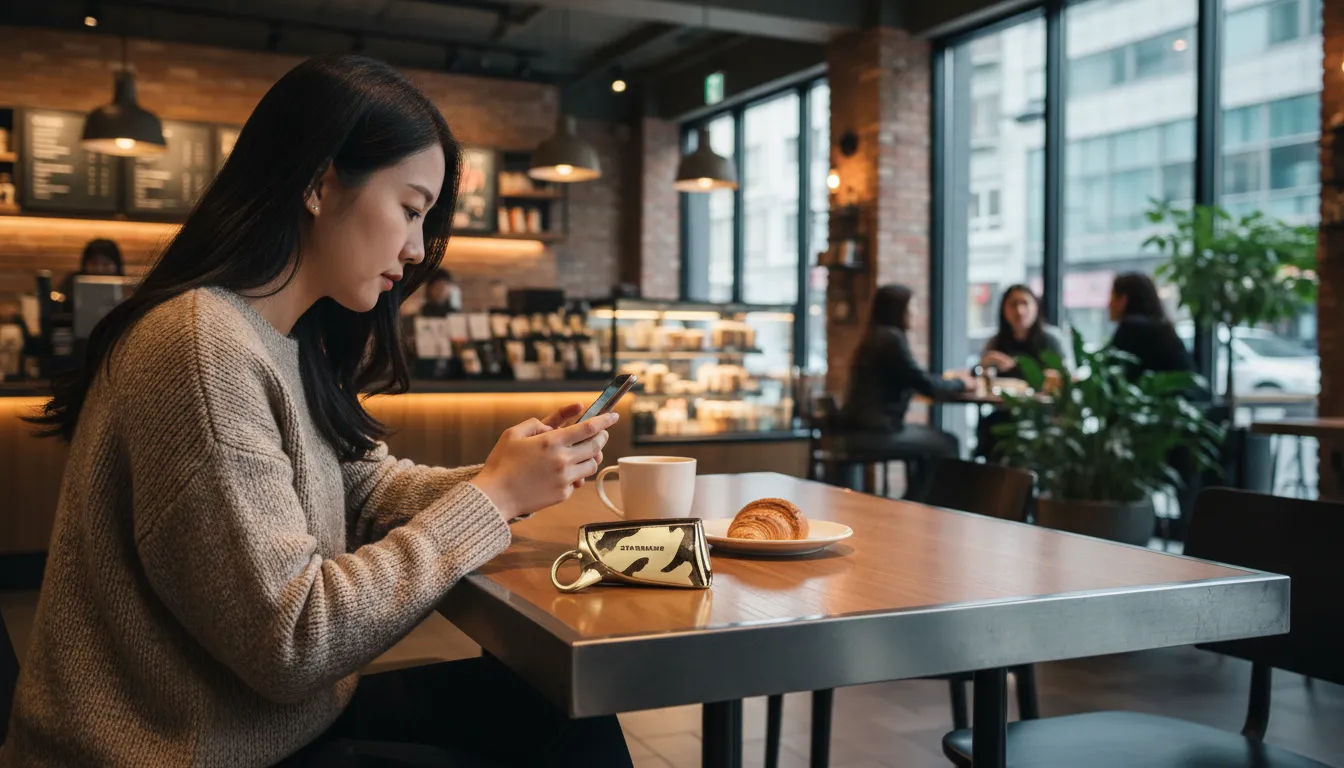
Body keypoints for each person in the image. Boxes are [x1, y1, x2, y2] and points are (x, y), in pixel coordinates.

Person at [6, 55, 630, 768]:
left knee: (565, 712)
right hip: (177, 751)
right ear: (320, 182)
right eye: (410, 207)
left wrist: (506, 477)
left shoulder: (286, 340)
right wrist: (492, 498)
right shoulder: (200, 346)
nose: (418, 248)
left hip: (269, 725)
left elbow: (367, 489)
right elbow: (295, 641)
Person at [838, 284, 971, 500]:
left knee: (935, 441)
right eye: (912, 307)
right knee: (946, 443)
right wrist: (961, 384)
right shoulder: (890, 339)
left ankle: (916, 500)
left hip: (861, 426)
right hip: (876, 431)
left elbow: (916, 379)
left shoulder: (876, 336)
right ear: (898, 310)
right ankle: (923, 504)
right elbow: (925, 385)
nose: (915, 313)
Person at [1108, 272, 1194, 378]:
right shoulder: (1163, 329)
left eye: (1112, 297)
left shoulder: (1130, 331)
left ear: (1123, 300)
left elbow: (1117, 379)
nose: (1108, 304)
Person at [60, 238, 125, 312]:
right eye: (94, 263)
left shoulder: (126, 287)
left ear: (116, 266)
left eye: (106, 264)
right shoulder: (72, 283)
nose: (99, 269)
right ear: (84, 265)